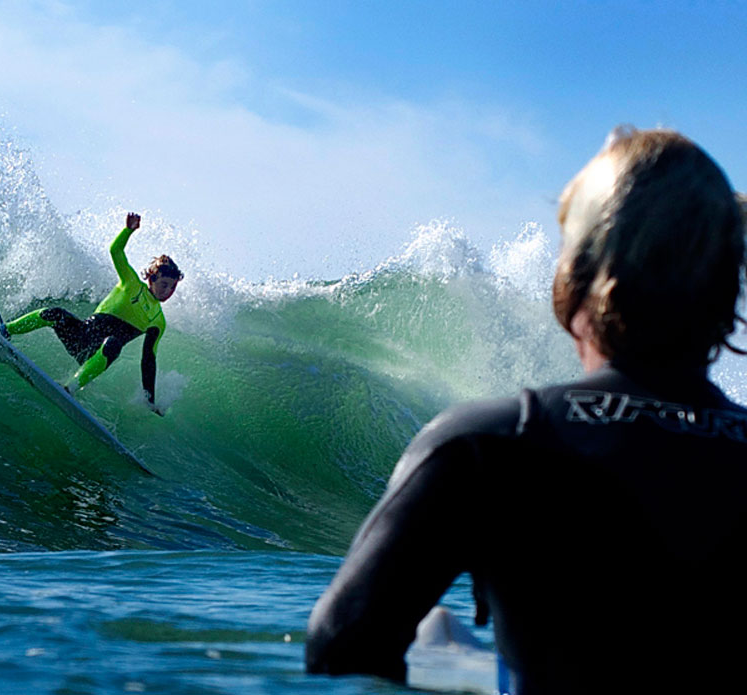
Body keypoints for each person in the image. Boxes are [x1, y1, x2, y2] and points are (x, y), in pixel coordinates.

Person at [305, 128, 747, 694]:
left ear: (578, 275)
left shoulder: (491, 444)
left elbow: (340, 642)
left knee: (440, 632)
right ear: (724, 286)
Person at [0, 212, 183, 415]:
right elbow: (116, 251)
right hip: (80, 336)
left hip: (98, 354)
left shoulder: (158, 321)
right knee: (55, 313)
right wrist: (128, 231)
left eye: (173, 288)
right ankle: (6, 330)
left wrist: (150, 400)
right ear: (152, 278)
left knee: (114, 342)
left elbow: (148, 359)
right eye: (164, 285)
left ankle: (69, 388)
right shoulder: (131, 283)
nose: (168, 291)